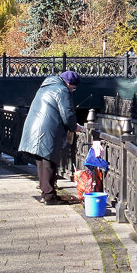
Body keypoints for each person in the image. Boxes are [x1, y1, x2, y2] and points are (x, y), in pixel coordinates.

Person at [19, 70, 82, 205]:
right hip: (47, 129)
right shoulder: (62, 90)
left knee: (41, 161)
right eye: (74, 87)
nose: (73, 90)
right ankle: (49, 196)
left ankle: (45, 192)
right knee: (49, 161)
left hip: (34, 127)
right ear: (69, 83)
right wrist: (74, 127)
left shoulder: (46, 86)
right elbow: (68, 113)